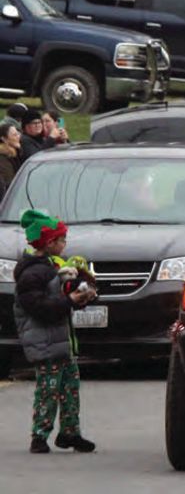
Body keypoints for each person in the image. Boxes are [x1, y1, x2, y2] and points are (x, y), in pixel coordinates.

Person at [14, 209, 98, 454]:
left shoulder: (55, 266)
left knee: (70, 389)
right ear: (49, 242)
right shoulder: (32, 273)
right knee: (48, 391)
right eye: (62, 240)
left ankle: (70, 432)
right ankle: (39, 435)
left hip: (62, 342)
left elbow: (64, 293)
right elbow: (39, 307)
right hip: (45, 344)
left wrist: (84, 293)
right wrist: (71, 300)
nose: (65, 244)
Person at [0, 123, 22, 197]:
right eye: (14, 135)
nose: (18, 137)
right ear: (4, 139)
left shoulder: (16, 152)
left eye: (18, 134)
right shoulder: (3, 157)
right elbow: (10, 182)